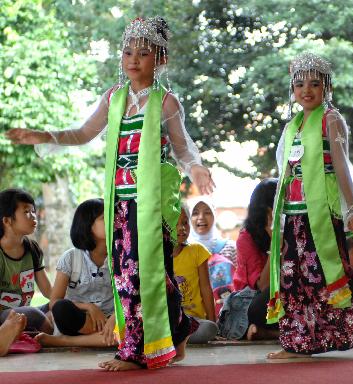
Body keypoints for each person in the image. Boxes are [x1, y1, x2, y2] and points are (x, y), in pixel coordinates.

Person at [7, 17, 214, 370]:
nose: (133, 59)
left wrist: (195, 167)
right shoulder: (114, 98)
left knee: (147, 273)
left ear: (160, 59)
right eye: (128, 51)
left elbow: (183, 148)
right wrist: (45, 135)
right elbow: (84, 133)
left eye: (144, 53)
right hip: (121, 203)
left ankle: (135, 350)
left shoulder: (165, 103)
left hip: (153, 205)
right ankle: (177, 332)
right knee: (129, 273)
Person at [267, 53, 353, 359]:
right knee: (294, 277)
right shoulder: (293, 124)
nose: (306, 90)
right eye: (299, 84)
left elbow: (341, 167)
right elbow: (286, 170)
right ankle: (298, 342)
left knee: (331, 273)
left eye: (314, 83)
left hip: (321, 213)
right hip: (295, 213)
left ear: (326, 87)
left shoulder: (330, 119)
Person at [35, 198, 116, 348]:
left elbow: (131, 297)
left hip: (113, 320)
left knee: (133, 326)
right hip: (83, 321)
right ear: (87, 225)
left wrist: (116, 317)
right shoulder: (71, 257)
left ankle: (65, 341)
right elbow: (54, 302)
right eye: (104, 218)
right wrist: (89, 307)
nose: (113, 219)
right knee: (61, 308)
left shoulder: (122, 256)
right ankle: (101, 339)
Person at [0, 188, 53, 335]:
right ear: (7, 220)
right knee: (33, 314)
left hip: (25, 313)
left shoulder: (32, 248)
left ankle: (30, 334)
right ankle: (48, 338)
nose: (33, 216)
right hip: (4, 316)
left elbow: (49, 291)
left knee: (59, 306)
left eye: (33, 211)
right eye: (26, 212)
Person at [233, 178, 278, 341]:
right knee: (259, 309)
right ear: (267, 211)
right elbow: (263, 286)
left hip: (282, 297)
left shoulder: (292, 229)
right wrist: (275, 244)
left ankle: (271, 334)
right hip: (250, 302)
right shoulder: (246, 238)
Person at [173, 208, 218, 344]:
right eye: (176, 223)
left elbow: (206, 288)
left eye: (185, 223)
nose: (182, 228)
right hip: (169, 320)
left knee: (209, 328)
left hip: (194, 321)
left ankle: (176, 339)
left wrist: (213, 321)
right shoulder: (157, 256)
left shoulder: (197, 251)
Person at [187, 197, 236, 313]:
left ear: (214, 216)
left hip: (227, 313)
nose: (201, 217)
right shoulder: (183, 250)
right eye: (195, 213)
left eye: (207, 212)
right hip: (194, 314)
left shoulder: (230, 247)